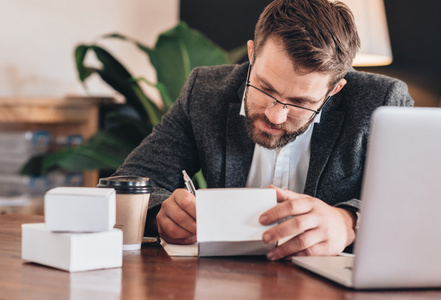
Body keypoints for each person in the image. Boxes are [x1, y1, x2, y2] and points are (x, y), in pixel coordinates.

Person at [114, 0, 414, 260]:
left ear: (334, 89)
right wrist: (159, 214)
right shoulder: (205, 92)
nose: (275, 115)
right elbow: (125, 185)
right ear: (251, 54)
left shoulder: (382, 103)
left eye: (300, 102)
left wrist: (350, 222)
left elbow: (417, 205)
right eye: (265, 88)